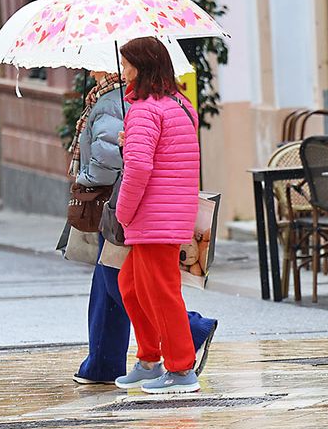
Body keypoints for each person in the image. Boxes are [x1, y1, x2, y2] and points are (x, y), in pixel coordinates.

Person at [69, 68, 217, 386]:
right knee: (124, 285)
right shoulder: (134, 101)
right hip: (138, 210)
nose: (91, 69)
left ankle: (180, 353)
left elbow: (124, 163)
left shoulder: (127, 104)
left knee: (139, 287)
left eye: (125, 63)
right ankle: (134, 359)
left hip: (136, 210)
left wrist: (91, 183)